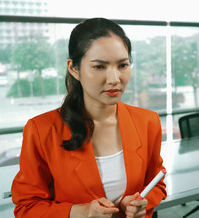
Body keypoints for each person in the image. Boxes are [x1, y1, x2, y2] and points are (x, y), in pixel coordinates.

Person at [11, 18, 167, 218]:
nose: (114, 79)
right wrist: (79, 212)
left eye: (122, 65)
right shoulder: (41, 130)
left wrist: (140, 203)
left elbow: (157, 184)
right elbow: (27, 207)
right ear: (73, 68)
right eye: (99, 67)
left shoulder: (148, 122)